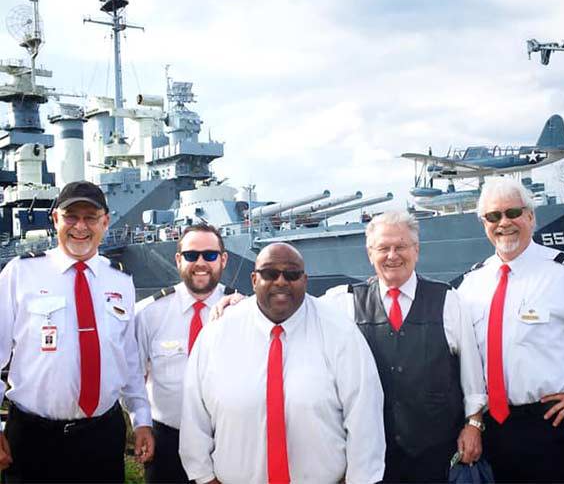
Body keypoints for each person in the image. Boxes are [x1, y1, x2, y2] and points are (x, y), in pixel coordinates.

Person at [179, 243, 385, 484]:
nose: (280, 281)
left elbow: (364, 416)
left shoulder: (340, 332)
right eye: (269, 273)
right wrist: (203, 477)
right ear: (254, 279)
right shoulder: (217, 334)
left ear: (305, 280)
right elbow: (194, 414)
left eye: (292, 274)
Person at [0, 180, 154, 483]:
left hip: (100, 436)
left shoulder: (120, 281)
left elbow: (129, 361)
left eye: (90, 217)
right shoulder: (20, 273)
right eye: (71, 216)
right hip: (32, 438)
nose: (80, 227)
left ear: (105, 222)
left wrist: (142, 419)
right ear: (55, 218)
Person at [324, 210, 486, 483]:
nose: (392, 255)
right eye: (383, 248)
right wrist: (234, 303)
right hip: (373, 453)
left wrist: (474, 424)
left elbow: (471, 372)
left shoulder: (448, 300)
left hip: (436, 452)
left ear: (416, 250)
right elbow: (296, 309)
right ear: (369, 253)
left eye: (400, 246)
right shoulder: (345, 303)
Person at [458, 176, 564, 484]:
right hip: (488, 429)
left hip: (548, 422)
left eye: (513, 213)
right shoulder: (472, 284)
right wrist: (473, 420)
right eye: (493, 216)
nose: (504, 223)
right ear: (484, 223)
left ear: (531, 216)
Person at [135, 224, 233, 483]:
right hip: (167, 443)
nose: (200, 263)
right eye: (191, 255)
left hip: (227, 443)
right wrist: (141, 424)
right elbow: (132, 377)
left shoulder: (243, 312)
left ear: (223, 259)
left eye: (210, 255)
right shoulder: (149, 314)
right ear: (178, 259)